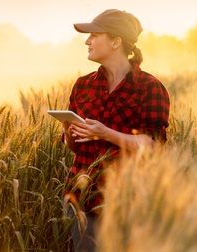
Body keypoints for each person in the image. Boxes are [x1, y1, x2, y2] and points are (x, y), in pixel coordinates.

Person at [62, 9, 170, 252]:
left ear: (116, 41)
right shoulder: (83, 85)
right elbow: (74, 147)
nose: (87, 41)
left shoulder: (149, 87)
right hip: (82, 199)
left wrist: (105, 133)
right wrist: (69, 132)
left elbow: (154, 146)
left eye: (94, 35)